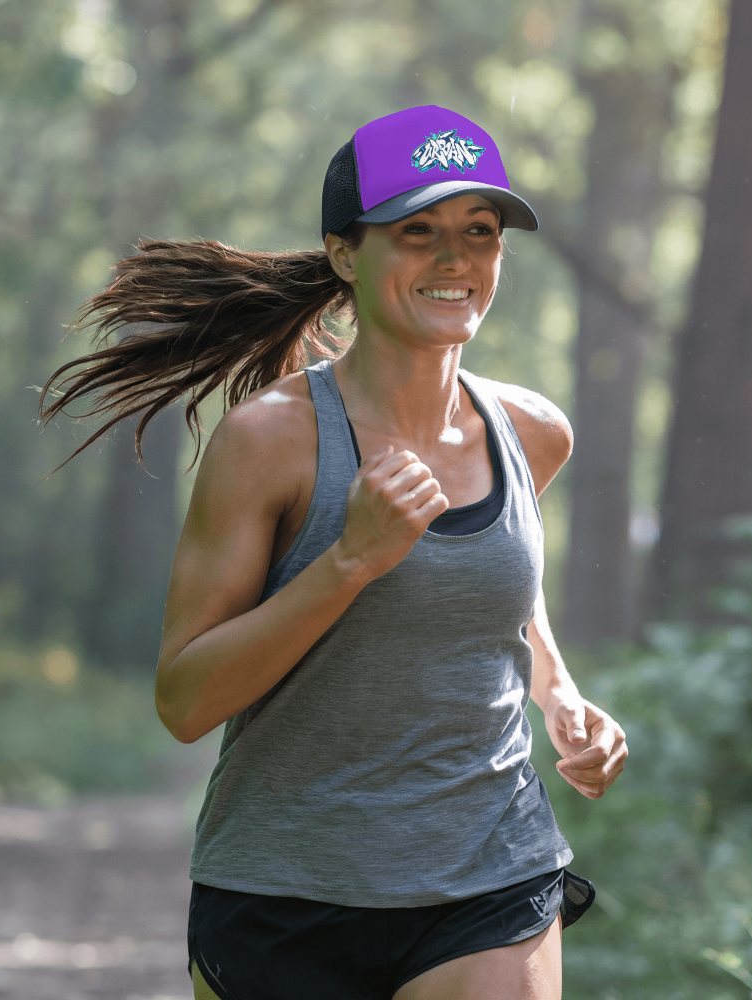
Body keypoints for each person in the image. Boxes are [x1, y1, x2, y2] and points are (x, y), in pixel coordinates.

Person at [38, 104, 628, 999]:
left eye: (480, 231)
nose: (455, 259)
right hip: (285, 890)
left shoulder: (532, 432)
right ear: (346, 254)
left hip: (488, 872)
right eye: (417, 231)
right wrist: (350, 561)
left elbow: (496, 593)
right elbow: (186, 699)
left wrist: (561, 698)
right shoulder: (270, 442)